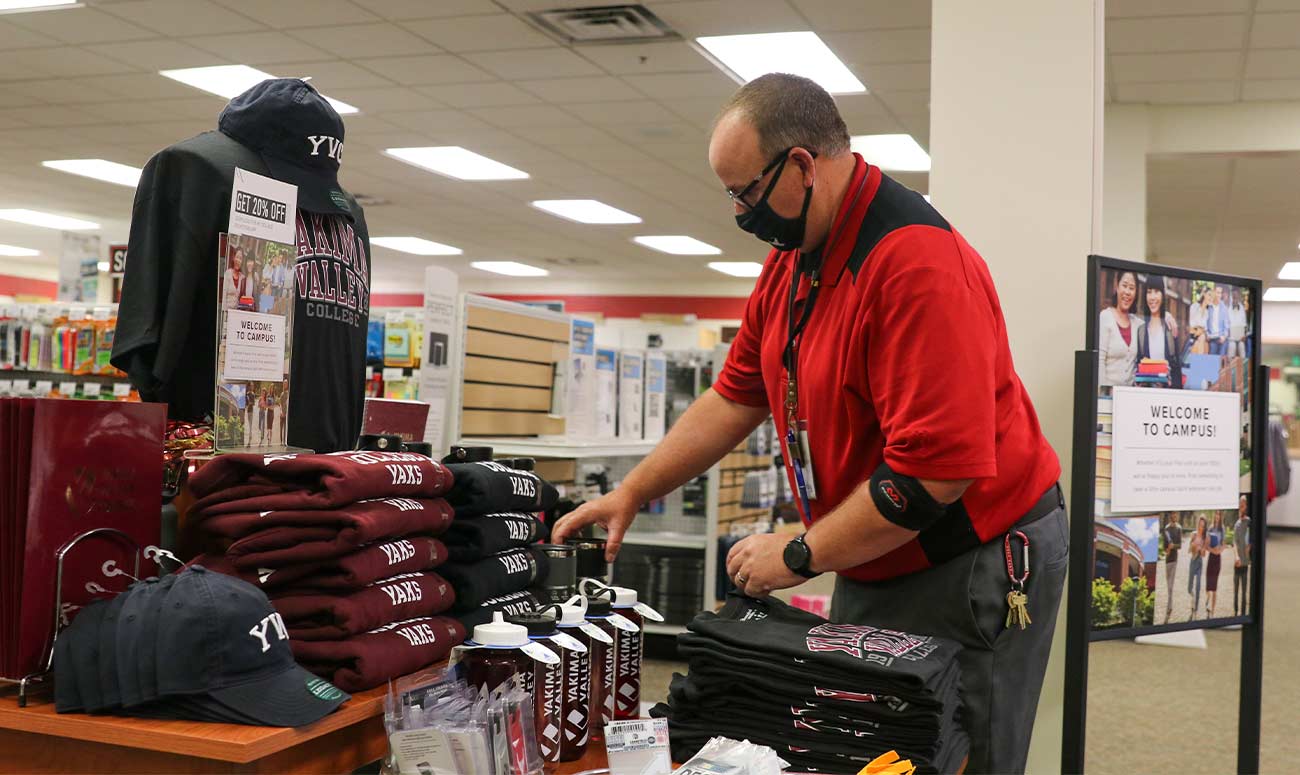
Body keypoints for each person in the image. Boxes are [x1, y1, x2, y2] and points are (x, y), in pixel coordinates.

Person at [552, 73, 1065, 775]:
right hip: (874, 544)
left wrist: (799, 552)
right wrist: (634, 491)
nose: (738, 212)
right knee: (862, 742)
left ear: (801, 165)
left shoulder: (917, 265)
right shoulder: (794, 262)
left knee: (949, 749)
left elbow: (932, 477)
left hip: (969, 554)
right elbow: (735, 396)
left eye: (746, 192)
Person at [1135, 278, 1182, 389]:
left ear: (1163, 294)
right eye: (1149, 292)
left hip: (1167, 397)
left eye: (1156, 291)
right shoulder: (1141, 331)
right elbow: (1139, 366)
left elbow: (1177, 368)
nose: (1152, 297)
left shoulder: (1170, 327)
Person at [1098, 271, 1141, 386]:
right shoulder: (1105, 317)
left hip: (1129, 398)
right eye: (1124, 285)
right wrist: (1102, 395)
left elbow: (1154, 321)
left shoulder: (1138, 324)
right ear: (1117, 287)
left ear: (1136, 293)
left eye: (1132, 288)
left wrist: (1166, 316)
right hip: (1107, 397)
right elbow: (1099, 360)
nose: (1127, 292)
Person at [1232, 497, 1251, 617]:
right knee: (1235, 591)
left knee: (1244, 592)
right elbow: (1234, 542)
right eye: (1240, 504)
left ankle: (1243, 615)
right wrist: (1236, 557)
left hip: (1245, 563)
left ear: (1246, 506)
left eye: (1243, 504)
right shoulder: (1237, 524)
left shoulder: (1250, 522)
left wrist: (1251, 546)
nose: (1241, 506)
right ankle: (1235, 613)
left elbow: (1253, 538)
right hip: (1237, 563)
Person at [1162, 513, 1182, 624]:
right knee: (1168, 585)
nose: (1175, 517)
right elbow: (1165, 546)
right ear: (1171, 516)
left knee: (1170, 585)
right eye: (1173, 515)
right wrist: (1167, 550)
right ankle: (1170, 604)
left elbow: (1180, 545)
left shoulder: (1179, 528)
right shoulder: (1166, 529)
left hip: (1174, 560)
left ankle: (1169, 607)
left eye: (1176, 515)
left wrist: (1172, 546)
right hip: (1167, 560)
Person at [1205, 513, 1225, 617]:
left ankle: (1212, 611)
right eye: (1216, 514)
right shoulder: (1210, 528)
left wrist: (1219, 551)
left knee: (1214, 587)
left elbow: (1224, 544)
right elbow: (1206, 545)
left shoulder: (1222, 529)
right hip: (1211, 557)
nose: (1217, 516)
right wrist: (1213, 550)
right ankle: (1207, 603)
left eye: (1219, 514)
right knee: (1208, 585)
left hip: (1218, 558)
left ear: (1220, 516)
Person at [1188, 516, 1206, 619]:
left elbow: (1204, 555)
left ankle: (1196, 608)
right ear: (1198, 524)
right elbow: (1189, 551)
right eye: (1200, 524)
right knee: (1189, 588)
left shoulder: (1204, 537)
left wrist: (1202, 550)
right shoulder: (1193, 534)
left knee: (1198, 585)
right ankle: (1193, 597)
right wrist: (1194, 545)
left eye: (1203, 526)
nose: (1201, 527)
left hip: (1199, 561)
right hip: (1192, 561)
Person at [1186, 286, 1210, 357]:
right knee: (1202, 339)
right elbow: (1190, 325)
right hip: (1192, 334)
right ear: (1204, 294)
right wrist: (1198, 330)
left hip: (1201, 336)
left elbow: (1206, 329)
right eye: (1209, 295)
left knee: (1204, 340)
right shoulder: (1194, 307)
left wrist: (1202, 331)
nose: (1210, 298)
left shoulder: (1207, 312)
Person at [1207, 285, 1230, 356]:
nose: (1219, 295)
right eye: (1217, 293)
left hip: (1222, 337)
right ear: (1213, 293)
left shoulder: (1224, 308)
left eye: (1220, 293)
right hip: (1212, 338)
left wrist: (1224, 336)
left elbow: (1227, 325)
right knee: (1211, 361)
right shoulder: (1208, 307)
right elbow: (1205, 323)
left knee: (1221, 361)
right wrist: (1207, 334)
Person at [1229, 288, 1247, 358]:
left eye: (1236, 295)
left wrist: (1244, 335)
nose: (1235, 297)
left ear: (1239, 296)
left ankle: (1243, 367)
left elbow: (1244, 324)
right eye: (1233, 295)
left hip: (1240, 337)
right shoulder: (1228, 308)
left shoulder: (1242, 308)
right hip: (1231, 338)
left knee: (1241, 347)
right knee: (1232, 346)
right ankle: (1230, 367)